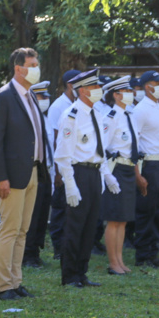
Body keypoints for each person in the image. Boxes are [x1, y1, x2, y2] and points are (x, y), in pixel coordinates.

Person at [0, 48, 48, 300]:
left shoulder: (29, 95)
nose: (36, 68)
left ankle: (16, 281)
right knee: (9, 230)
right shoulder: (3, 97)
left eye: (37, 63)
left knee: (23, 230)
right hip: (11, 176)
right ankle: (3, 286)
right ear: (18, 68)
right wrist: (0, 177)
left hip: (32, 171)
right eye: (32, 64)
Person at [54, 68, 118, 288]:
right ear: (81, 91)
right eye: (94, 87)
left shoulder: (96, 113)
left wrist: (107, 175)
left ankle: (82, 272)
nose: (99, 90)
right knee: (75, 226)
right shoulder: (71, 115)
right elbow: (63, 155)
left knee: (90, 226)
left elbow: (98, 151)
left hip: (94, 173)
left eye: (99, 86)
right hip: (78, 173)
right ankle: (69, 275)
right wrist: (70, 186)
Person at [131, 70, 159, 268]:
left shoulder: (158, 107)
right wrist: (137, 174)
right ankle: (142, 254)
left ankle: (153, 253)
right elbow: (134, 143)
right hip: (148, 164)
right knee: (146, 210)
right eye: (157, 83)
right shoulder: (140, 110)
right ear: (148, 86)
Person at [99, 76, 137, 275]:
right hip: (116, 170)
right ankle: (113, 263)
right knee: (114, 219)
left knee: (123, 219)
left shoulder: (128, 115)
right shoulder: (111, 117)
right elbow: (101, 149)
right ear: (116, 95)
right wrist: (107, 176)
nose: (131, 94)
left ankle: (120, 260)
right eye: (127, 91)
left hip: (128, 169)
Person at [47, 69, 81, 260]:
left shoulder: (78, 104)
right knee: (60, 208)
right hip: (62, 165)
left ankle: (70, 244)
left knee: (72, 208)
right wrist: (59, 172)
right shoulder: (58, 106)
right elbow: (55, 140)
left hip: (76, 164)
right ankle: (59, 247)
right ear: (70, 85)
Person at [23, 80, 54, 268]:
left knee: (42, 213)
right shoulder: (28, 118)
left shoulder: (45, 117)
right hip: (33, 171)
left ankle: (35, 250)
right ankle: (27, 254)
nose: (46, 100)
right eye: (42, 96)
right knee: (32, 215)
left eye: (47, 96)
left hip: (46, 171)